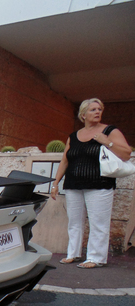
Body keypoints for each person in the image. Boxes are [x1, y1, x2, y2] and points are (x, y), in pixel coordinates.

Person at [50, 98, 132, 268]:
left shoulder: (109, 131)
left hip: (99, 183)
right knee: (74, 222)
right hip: (73, 184)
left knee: (98, 222)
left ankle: (96, 258)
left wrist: (107, 142)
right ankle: (73, 254)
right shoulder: (73, 136)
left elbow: (126, 153)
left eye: (99, 109)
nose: (97, 112)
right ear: (83, 114)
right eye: (93, 109)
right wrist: (56, 183)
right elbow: (65, 160)